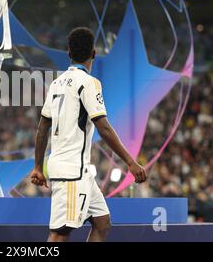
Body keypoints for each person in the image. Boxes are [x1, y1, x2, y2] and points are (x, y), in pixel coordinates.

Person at [30, 27, 147, 242]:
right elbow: (103, 127)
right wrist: (130, 162)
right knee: (60, 233)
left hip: (78, 171)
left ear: (69, 53)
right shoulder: (89, 83)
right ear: (94, 53)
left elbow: (42, 127)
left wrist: (38, 166)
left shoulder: (56, 84)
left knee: (102, 221)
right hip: (71, 171)